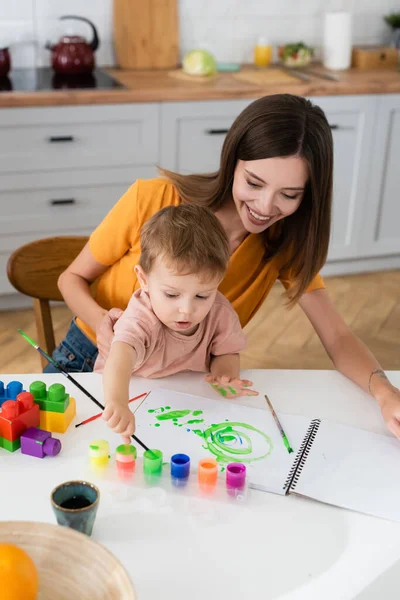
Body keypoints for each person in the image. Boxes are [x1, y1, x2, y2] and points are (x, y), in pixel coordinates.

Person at [52, 93, 400, 439]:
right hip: (88, 358)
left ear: (308, 195)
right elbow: (71, 278)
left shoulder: (283, 244)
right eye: (253, 183)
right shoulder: (154, 199)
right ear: (232, 161)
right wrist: (104, 326)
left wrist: (386, 394)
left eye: (289, 194)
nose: (265, 207)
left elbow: (337, 336)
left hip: (181, 383)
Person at [97, 204, 257, 440]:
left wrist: (225, 377)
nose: (187, 310)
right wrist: (118, 402)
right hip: (130, 390)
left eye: (202, 295)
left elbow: (227, 353)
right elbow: (120, 357)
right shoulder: (142, 316)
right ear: (143, 279)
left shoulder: (220, 312)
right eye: (172, 295)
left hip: (185, 397)